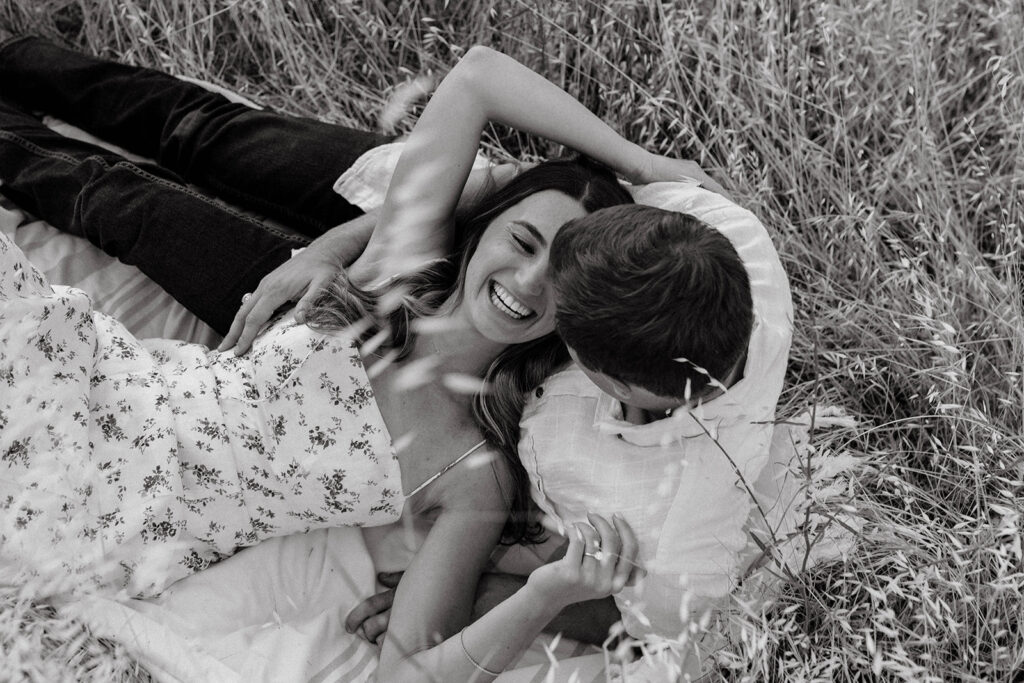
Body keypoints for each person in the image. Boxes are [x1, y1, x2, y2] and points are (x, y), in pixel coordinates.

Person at [0, 36, 737, 680]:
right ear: (481, 228)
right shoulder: (397, 263)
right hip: (97, 373)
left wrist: (544, 593)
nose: (524, 284)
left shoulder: (473, 471)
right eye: (522, 243)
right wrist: (642, 162)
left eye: (558, 283)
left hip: (114, 507)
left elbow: (408, 674)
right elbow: (479, 75)